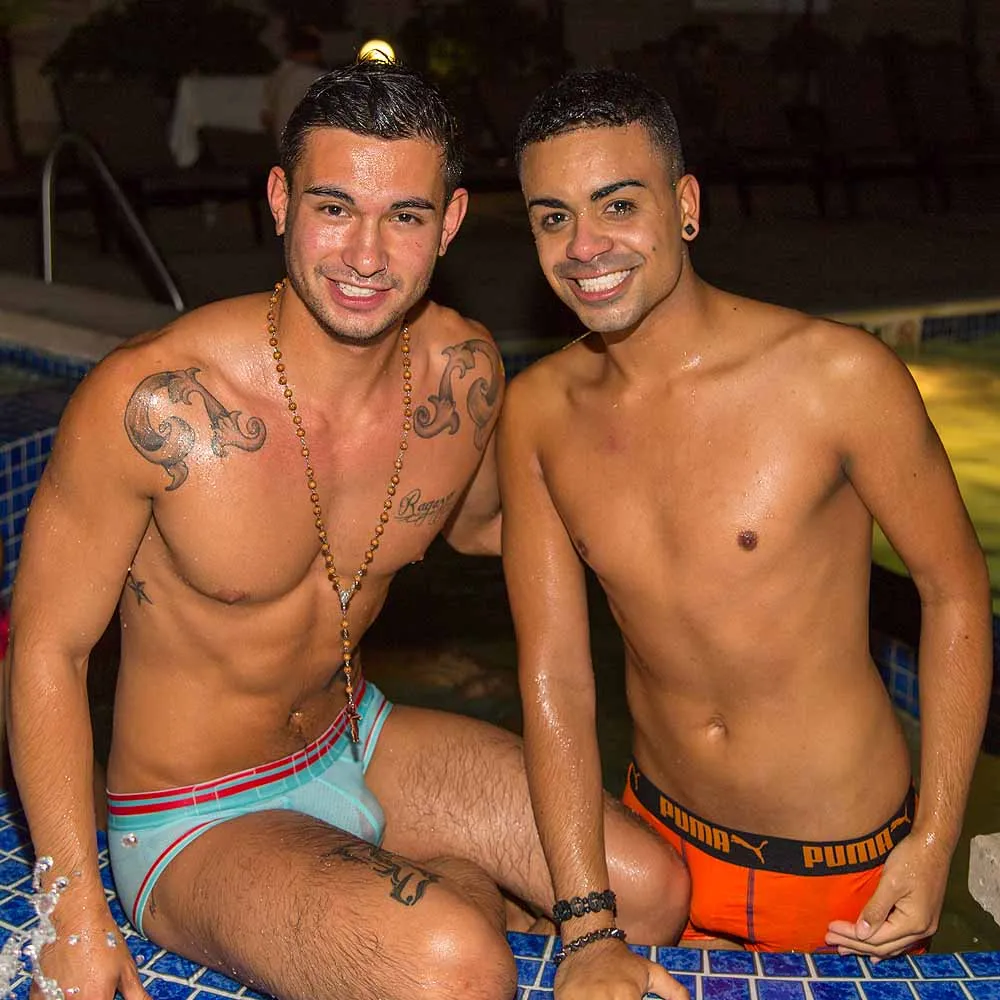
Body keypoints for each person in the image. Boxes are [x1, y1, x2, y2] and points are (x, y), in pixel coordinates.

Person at [6, 62, 690, 1000]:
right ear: (280, 200)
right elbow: (45, 648)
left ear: (449, 222)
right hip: (195, 811)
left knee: (648, 892)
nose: (365, 256)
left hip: (357, 737)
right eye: (334, 208)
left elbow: (492, 528)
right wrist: (72, 909)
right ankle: (454, 900)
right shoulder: (155, 402)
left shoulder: (461, 375)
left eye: (404, 216)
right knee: (453, 966)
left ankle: (439, 893)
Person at [500, 67, 992, 995]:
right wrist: (588, 916)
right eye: (552, 216)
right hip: (657, 851)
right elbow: (554, 672)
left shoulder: (837, 378)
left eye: (617, 204)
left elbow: (955, 588)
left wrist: (935, 837)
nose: (585, 245)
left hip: (844, 872)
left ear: (686, 206)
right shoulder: (538, 413)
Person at [261, 22, 326, 147]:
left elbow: (266, 118)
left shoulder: (276, 77)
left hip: (283, 147)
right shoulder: (313, 76)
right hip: (307, 147)